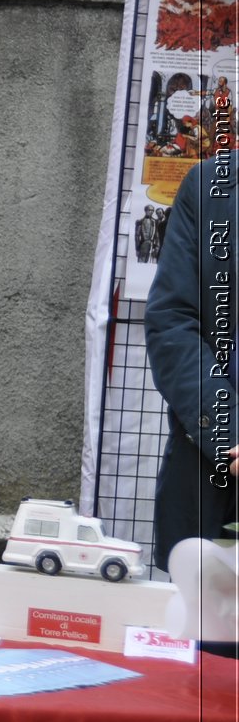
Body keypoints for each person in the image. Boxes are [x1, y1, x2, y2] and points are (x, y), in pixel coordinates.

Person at [145, 151, 239, 575]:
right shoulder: (209, 187)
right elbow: (172, 322)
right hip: (211, 469)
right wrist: (231, 432)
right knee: (210, 635)